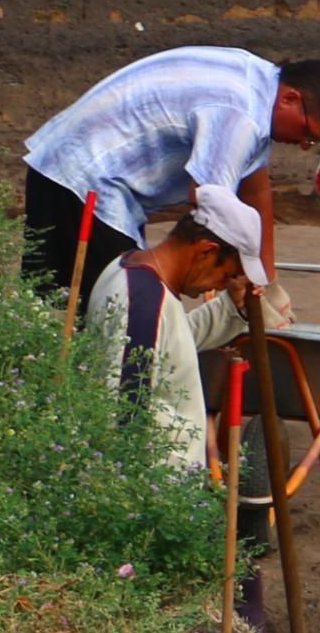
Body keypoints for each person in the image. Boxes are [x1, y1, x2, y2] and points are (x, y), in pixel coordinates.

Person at [20, 48, 320, 307]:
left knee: (94, 308)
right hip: (85, 181)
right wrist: (232, 278)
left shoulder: (260, 79)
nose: (303, 146)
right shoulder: (240, 116)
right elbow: (209, 202)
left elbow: (256, 192)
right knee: (126, 314)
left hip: (67, 165)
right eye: (307, 134)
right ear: (291, 99)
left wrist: (265, 281)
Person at [83, 199, 264, 473]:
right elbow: (123, 414)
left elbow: (169, 347)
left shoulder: (130, 270)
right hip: (147, 491)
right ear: (206, 251)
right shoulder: (143, 301)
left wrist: (232, 305)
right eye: (227, 275)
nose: (222, 284)